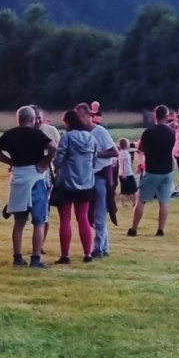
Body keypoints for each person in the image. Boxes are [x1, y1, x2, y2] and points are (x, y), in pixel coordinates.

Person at [0, 105, 54, 266]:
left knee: (19, 223)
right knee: (39, 222)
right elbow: (54, 147)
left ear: (18, 119)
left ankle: (17, 258)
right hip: (36, 178)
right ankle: (36, 259)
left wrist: (10, 161)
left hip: (18, 178)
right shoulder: (37, 134)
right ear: (32, 119)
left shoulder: (10, 134)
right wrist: (45, 162)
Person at [51, 107, 101, 262]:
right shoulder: (90, 137)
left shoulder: (67, 137)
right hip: (86, 183)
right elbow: (94, 159)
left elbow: (59, 160)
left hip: (67, 183)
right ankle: (87, 254)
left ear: (68, 122)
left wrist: (55, 166)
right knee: (83, 218)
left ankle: (65, 255)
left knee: (65, 220)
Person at [131, 105, 178, 238]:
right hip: (167, 170)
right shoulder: (171, 132)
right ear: (167, 116)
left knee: (141, 200)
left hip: (152, 170)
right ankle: (160, 229)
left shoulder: (148, 132)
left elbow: (141, 149)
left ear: (155, 116)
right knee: (164, 202)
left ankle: (134, 228)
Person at [87, 101, 120, 258]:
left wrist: (95, 153)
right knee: (93, 214)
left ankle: (98, 247)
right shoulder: (81, 132)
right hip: (88, 177)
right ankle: (104, 247)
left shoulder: (100, 131)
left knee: (100, 212)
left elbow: (114, 152)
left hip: (101, 176)